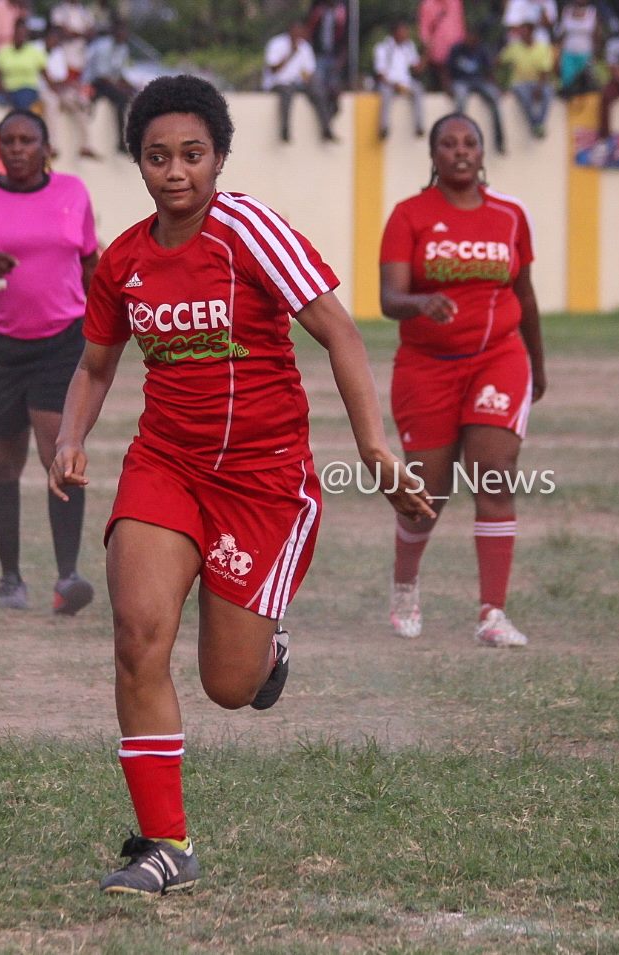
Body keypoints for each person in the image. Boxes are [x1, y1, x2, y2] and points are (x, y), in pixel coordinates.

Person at [47, 75, 430, 895]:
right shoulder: (124, 260)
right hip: (165, 466)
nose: (175, 171)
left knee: (229, 685)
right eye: (157, 157)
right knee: (137, 638)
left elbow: (339, 333)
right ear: (138, 163)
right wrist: (72, 438)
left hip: (261, 481)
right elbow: (95, 364)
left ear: (219, 156)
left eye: (192, 154)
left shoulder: (249, 230)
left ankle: (267, 645)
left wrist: (374, 447)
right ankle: (165, 844)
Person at [379, 112, 547, 648]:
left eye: (469, 142)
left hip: (499, 358)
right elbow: (389, 298)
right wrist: (420, 302)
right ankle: (405, 587)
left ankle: (492, 613)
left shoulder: (510, 215)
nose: (460, 151)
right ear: (433, 155)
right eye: (448, 143)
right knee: (427, 494)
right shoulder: (409, 215)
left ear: (482, 151)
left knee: (494, 474)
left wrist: (538, 364)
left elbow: (525, 294)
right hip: (426, 367)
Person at [0, 110, 99, 615]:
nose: (17, 148)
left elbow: (90, 263)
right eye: (8, 140)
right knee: (3, 463)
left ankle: (68, 578)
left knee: (60, 455)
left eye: (28, 140)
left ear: (46, 147)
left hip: (61, 344)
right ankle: (10, 577)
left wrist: (106, 324)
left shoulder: (73, 193)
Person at [262, 18, 336, 143]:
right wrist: (291, 53)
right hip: (278, 83)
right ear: (290, 31)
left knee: (318, 91)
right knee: (286, 93)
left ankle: (326, 128)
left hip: (297, 83)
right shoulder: (277, 43)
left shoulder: (305, 47)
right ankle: (284, 130)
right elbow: (273, 69)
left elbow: (308, 71)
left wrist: (309, 81)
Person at [42, 24, 97, 159]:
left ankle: (86, 146)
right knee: (52, 105)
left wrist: (73, 87)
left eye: (57, 38)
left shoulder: (59, 53)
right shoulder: (37, 49)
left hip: (59, 89)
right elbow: (49, 81)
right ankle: (52, 146)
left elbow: (63, 78)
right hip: (43, 90)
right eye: (52, 37)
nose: (55, 40)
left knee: (81, 103)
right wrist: (64, 84)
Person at [448, 27, 506, 153]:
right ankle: (457, 138)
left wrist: (496, 87)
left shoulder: (482, 50)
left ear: (477, 39)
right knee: (460, 101)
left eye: (473, 37)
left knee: (495, 99)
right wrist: (448, 86)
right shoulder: (457, 49)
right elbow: (447, 70)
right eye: (468, 36)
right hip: (461, 81)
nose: (469, 40)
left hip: (479, 81)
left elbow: (489, 71)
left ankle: (500, 141)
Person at [83, 20, 135, 154]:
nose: (124, 34)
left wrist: (131, 86)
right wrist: (121, 88)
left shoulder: (123, 48)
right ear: (114, 32)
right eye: (121, 31)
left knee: (134, 95)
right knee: (122, 99)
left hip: (110, 82)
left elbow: (119, 73)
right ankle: (121, 143)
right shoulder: (103, 46)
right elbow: (102, 75)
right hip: (95, 82)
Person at [499, 19, 555, 138]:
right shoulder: (513, 47)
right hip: (519, 82)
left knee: (548, 92)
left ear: (531, 32)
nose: (522, 34)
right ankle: (535, 124)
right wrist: (500, 83)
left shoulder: (542, 48)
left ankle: (540, 122)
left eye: (524, 31)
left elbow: (544, 71)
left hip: (538, 82)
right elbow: (499, 62)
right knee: (524, 96)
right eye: (520, 32)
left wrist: (539, 88)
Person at [374, 20, 425, 140]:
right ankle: (383, 127)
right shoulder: (383, 48)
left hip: (405, 83)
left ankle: (419, 126)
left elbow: (417, 69)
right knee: (385, 94)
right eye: (403, 31)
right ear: (395, 33)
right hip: (388, 83)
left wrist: (426, 52)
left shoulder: (409, 46)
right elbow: (380, 75)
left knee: (418, 89)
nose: (406, 34)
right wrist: (393, 85)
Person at [0, 17, 47, 111]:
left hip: (28, 90)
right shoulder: (4, 52)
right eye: (18, 33)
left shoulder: (35, 52)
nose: (20, 36)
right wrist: (2, 90)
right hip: (8, 91)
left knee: (23, 99)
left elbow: (46, 76)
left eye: (23, 33)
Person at [555, 0, 599, 96]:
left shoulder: (592, 12)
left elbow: (595, 36)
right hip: (568, 53)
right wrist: (558, 55)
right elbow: (560, 34)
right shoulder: (567, 11)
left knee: (586, 85)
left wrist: (595, 55)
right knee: (568, 83)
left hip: (586, 53)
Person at [418, 0, 465, 90]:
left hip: (456, 51)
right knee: (440, 85)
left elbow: (460, 23)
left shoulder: (455, 2)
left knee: (457, 83)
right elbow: (424, 31)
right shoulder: (427, 5)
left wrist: (463, 46)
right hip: (438, 52)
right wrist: (428, 47)